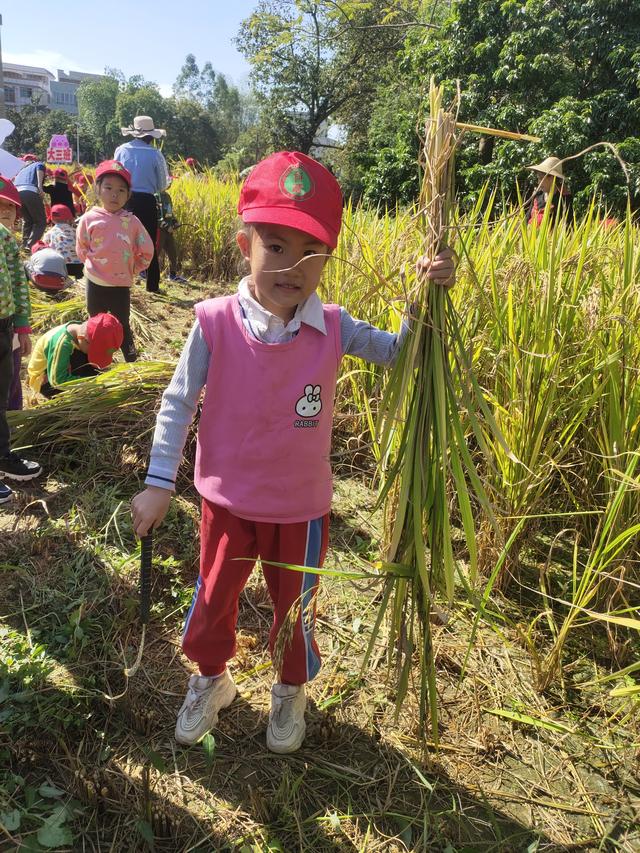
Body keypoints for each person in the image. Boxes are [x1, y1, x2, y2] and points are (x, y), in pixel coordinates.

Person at [130, 151, 456, 752]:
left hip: (299, 509)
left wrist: (423, 296)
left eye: (312, 253)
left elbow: (400, 353)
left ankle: (289, 690)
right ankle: (210, 679)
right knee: (212, 598)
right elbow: (177, 401)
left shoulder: (333, 325)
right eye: (276, 247)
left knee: (295, 608)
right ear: (243, 244)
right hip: (225, 501)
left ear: (329, 259)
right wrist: (158, 481)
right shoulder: (215, 321)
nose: (293, 267)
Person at [76, 160, 154, 362]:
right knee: (95, 323)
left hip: (120, 285)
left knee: (122, 324)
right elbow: (82, 246)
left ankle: (131, 361)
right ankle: (94, 360)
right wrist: (93, 265)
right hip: (95, 282)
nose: (114, 194)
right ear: (98, 189)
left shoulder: (132, 222)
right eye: (108, 188)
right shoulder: (89, 218)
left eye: (121, 190)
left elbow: (147, 250)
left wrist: (132, 269)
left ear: (128, 195)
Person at [0, 174, 42, 504]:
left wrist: (22, 326)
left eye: (9, 210)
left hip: (4, 327)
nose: (4, 215)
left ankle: (3, 455)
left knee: (1, 397)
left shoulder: (8, 243)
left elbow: (18, 286)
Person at [114, 116, 170, 294]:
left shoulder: (121, 150)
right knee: (149, 243)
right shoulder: (155, 154)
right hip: (146, 201)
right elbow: (162, 185)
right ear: (151, 136)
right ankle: (152, 286)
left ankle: (119, 280)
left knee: (122, 241)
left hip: (124, 199)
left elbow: (115, 174)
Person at [28, 312, 123, 399]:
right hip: (46, 380)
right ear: (82, 339)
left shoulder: (82, 332)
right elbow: (56, 381)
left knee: (97, 372)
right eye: (93, 352)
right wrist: (92, 383)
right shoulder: (62, 344)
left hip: (67, 364)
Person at [526, 156, 572, 225]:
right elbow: (526, 219)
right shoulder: (538, 195)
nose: (539, 182)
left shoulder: (563, 199)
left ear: (552, 178)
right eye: (538, 178)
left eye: (541, 178)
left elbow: (567, 226)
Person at [14, 155, 47, 249]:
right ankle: (30, 245)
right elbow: (40, 168)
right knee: (41, 222)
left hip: (17, 193)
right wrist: (40, 186)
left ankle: (24, 245)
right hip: (30, 191)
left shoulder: (21, 170)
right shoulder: (37, 164)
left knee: (28, 220)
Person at [42, 204, 83, 279]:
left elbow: (44, 247)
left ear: (52, 219)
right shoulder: (75, 231)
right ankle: (79, 276)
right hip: (78, 266)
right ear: (69, 219)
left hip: (60, 267)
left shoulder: (49, 233)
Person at [157, 189, 188, 283]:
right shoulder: (156, 196)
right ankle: (145, 272)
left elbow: (169, 213)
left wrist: (175, 222)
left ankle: (172, 275)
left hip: (168, 231)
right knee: (155, 252)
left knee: (173, 253)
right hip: (159, 230)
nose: (169, 183)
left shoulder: (167, 196)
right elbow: (156, 216)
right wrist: (166, 227)